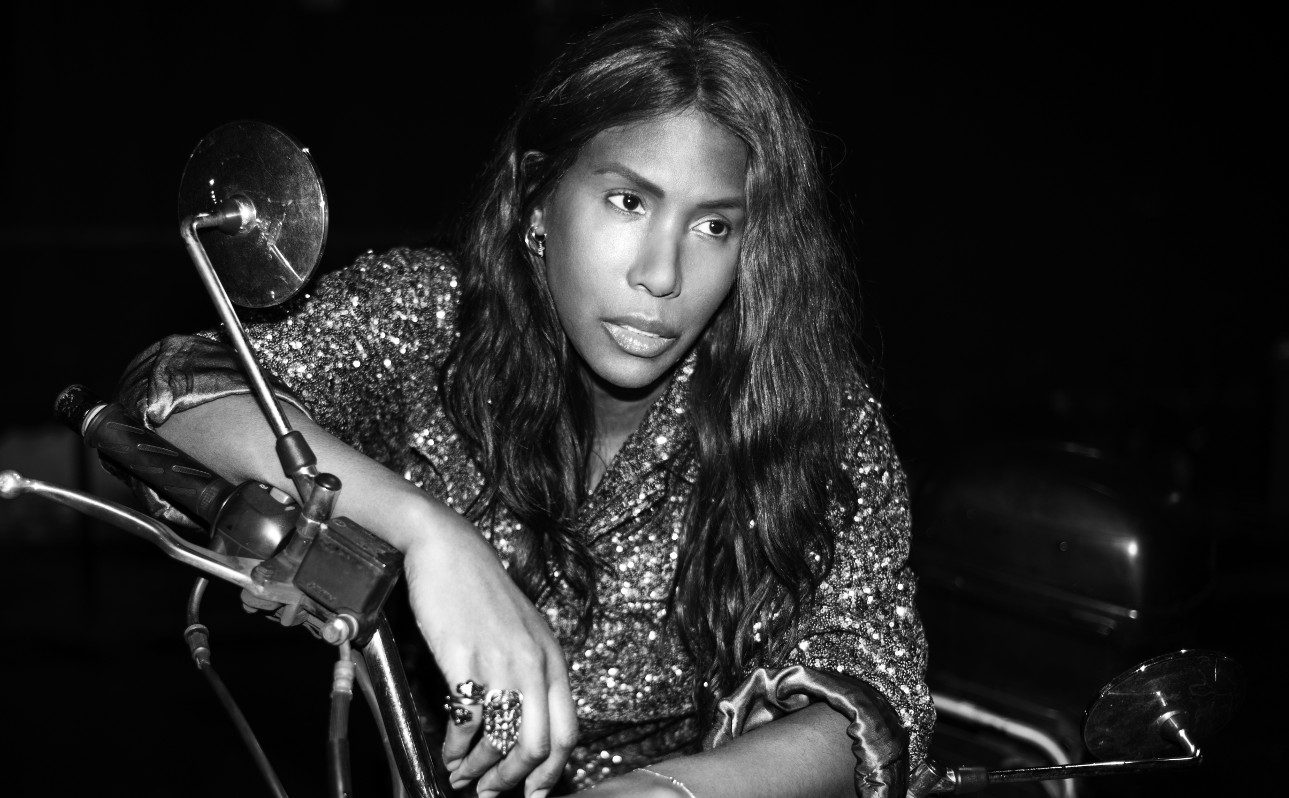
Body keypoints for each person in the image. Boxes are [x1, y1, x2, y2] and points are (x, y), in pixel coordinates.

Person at [120, 11, 933, 798]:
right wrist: (428, 535)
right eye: (628, 202)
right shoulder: (433, 321)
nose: (661, 275)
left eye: (714, 226)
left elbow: (877, 698)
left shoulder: (806, 410)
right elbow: (175, 391)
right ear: (539, 198)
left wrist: (661, 792)